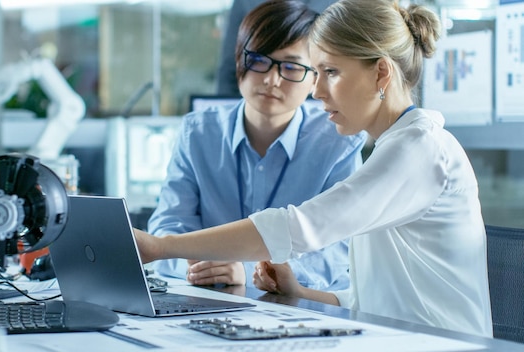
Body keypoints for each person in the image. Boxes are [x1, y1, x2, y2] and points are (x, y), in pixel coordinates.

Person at [135, 0, 493, 337]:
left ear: (381, 73)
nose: (316, 90)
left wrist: (161, 246)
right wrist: (301, 291)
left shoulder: (419, 150)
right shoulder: (394, 148)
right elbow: (369, 298)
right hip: (392, 336)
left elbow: (297, 228)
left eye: (331, 72)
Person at [148, 0, 366, 291]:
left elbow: (339, 250)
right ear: (239, 59)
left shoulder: (339, 143)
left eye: (290, 66)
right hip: (207, 301)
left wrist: (246, 270)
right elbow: (167, 228)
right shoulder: (198, 133)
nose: (271, 79)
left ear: (315, 76)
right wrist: (201, 265)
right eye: (259, 60)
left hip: (302, 309)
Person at [216, 0, 337, 96]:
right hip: (254, 100)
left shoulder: (340, 4)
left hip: (314, 97)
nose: (272, 80)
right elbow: (230, 66)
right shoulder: (246, 3)